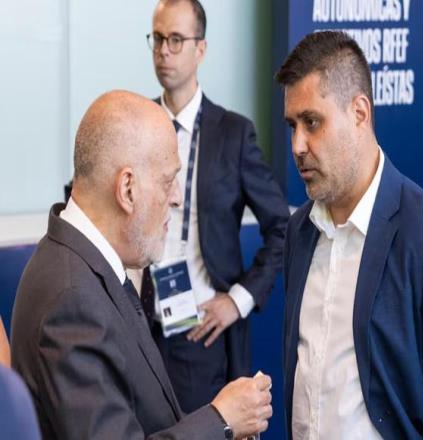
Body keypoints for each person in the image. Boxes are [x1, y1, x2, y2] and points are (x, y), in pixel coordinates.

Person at [275, 30, 423, 439]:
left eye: (312, 122)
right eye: (292, 126)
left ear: (359, 113)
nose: (298, 145)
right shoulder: (300, 232)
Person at [11, 90, 272, 440]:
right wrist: (220, 420)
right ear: (128, 189)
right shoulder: (72, 299)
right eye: (168, 181)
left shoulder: (90, 268)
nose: (177, 198)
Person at [141, 0, 289, 413]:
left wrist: (238, 300)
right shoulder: (138, 126)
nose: (164, 51)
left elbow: (282, 228)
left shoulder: (233, 134)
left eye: (176, 40)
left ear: (200, 49)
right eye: (157, 39)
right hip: (139, 326)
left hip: (200, 333)